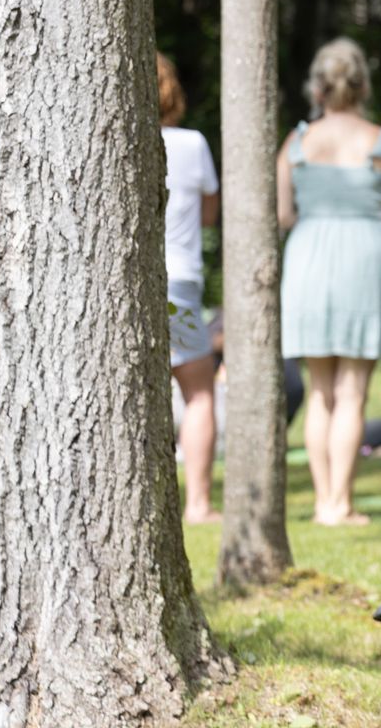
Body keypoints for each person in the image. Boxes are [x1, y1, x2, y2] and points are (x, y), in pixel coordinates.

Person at [279, 37, 381, 526]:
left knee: (320, 390)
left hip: (310, 259)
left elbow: (283, 213)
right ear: (362, 85)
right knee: (353, 390)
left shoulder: (296, 143)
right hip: (363, 258)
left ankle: (322, 504)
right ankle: (342, 502)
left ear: (317, 86)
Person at [157, 53, 222, 524]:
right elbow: (208, 214)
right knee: (197, 392)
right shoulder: (191, 144)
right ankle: (197, 504)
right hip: (176, 279)